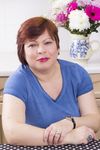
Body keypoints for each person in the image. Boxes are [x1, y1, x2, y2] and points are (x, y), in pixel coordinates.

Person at [2, 16, 100, 146]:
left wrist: (70, 122)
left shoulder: (77, 73)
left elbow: (94, 120)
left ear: (58, 47)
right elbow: (12, 133)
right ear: (22, 52)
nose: (41, 50)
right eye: (32, 45)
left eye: (47, 42)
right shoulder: (17, 81)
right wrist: (67, 138)